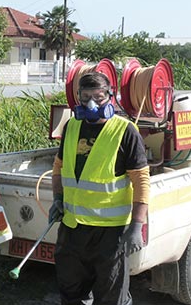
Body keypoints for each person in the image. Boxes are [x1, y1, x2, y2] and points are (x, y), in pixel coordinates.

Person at [49, 72, 150, 305]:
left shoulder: (125, 131)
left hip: (109, 233)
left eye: (99, 96)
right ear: (78, 98)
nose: (92, 103)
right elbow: (59, 167)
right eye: (85, 98)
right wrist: (57, 199)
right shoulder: (72, 127)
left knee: (111, 298)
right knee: (71, 293)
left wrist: (137, 225)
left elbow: (141, 181)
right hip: (72, 228)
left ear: (110, 96)